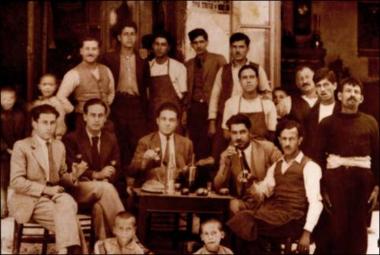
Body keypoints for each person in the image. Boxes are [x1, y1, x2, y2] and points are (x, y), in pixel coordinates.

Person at [227, 119, 323, 254]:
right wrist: (251, 182)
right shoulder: (276, 166)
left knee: (247, 225)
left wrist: (306, 233)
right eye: (284, 139)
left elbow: (316, 203)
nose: (287, 144)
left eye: (292, 139)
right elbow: (263, 191)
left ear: (300, 140)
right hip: (273, 214)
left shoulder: (310, 166)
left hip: (294, 218)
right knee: (240, 224)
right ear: (279, 139)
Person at [8, 104, 88, 254]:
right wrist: (46, 189)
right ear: (34, 123)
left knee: (66, 204)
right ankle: (71, 251)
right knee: (69, 218)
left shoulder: (59, 146)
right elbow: (16, 181)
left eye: (52, 123)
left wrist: (73, 176)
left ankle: (64, 251)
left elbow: (61, 176)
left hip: (55, 197)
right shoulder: (22, 146)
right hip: (30, 200)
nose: (49, 127)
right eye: (45, 122)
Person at [314, 77, 379, 254]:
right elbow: (318, 159)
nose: (352, 95)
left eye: (356, 92)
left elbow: (377, 156)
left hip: (362, 183)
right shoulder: (326, 124)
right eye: (348, 91)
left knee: (358, 230)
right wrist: (322, 188)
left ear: (361, 98)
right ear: (340, 95)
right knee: (336, 230)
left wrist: (377, 187)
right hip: (335, 181)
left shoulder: (370, 122)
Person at [63, 98, 125, 240]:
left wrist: (108, 175)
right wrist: (96, 175)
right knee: (106, 188)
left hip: (103, 191)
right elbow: (69, 168)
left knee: (99, 208)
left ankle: (104, 246)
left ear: (105, 118)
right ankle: (128, 240)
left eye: (100, 115)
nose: (96, 119)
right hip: (79, 189)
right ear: (85, 117)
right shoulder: (71, 139)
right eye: (93, 115)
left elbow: (117, 168)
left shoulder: (111, 139)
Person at [208, 32, 271, 163]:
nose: (237, 50)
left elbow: (267, 93)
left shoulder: (257, 69)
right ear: (230, 48)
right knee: (224, 156)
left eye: (241, 47)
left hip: (250, 117)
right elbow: (215, 95)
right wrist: (212, 121)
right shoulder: (223, 70)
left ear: (247, 49)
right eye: (234, 47)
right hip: (228, 116)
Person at [101, 21, 150, 169]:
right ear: (119, 37)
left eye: (132, 34)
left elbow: (147, 86)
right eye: (125, 34)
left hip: (136, 105)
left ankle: (135, 177)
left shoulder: (142, 59)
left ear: (136, 37)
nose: (129, 38)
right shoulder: (109, 58)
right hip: (117, 104)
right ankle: (120, 181)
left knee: (138, 142)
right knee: (118, 142)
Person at [214, 114, 281, 214]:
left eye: (242, 132)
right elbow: (218, 186)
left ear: (249, 132)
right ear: (230, 134)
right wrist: (226, 163)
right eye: (234, 133)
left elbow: (284, 171)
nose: (238, 137)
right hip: (244, 202)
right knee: (232, 207)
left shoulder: (267, 148)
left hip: (267, 200)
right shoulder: (227, 155)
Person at [185, 28, 226, 164]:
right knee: (195, 144)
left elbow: (225, 84)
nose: (199, 45)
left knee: (212, 143)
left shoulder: (218, 59)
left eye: (202, 42)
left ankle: (210, 180)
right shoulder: (188, 64)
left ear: (207, 42)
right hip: (195, 109)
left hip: (211, 108)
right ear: (191, 45)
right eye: (195, 43)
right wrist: (186, 111)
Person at [129, 102, 193, 188]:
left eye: (171, 120)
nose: (167, 123)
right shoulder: (145, 142)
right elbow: (132, 172)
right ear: (157, 121)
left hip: (177, 190)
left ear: (177, 123)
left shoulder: (186, 144)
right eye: (164, 119)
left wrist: (186, 170)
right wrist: (144, 161)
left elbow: (191, 174)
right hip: (151, 190)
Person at [57, 36, 115, 130]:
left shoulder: (106, 70)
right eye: (87, 49)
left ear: (98, 51)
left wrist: (106, 104)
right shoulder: (73, 73)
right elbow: (60, 97)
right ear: (81, 51)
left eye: (94, 49)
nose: (90, 52)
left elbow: (111, 92)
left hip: (105, 120)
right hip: (83, 122)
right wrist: (73, 110)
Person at [222, 65, 277, 141]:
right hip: (238, 146)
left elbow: (272, 133)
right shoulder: (231, 103)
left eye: (252, 77)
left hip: (262, 147)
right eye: (244, 77)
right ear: (240, 81)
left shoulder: (268, 104)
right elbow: (226, 133)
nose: (248, 81)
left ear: (257, 80)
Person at [147, 31, 187, 130]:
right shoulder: (148, 66)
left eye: (163, 45)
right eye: (157, 44)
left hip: (173, 112)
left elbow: (184, 95)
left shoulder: (178, 67)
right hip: (154, 114)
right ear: (152, 46)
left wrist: (184, 114)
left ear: (168, 48)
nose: (159, 48)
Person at [1, 86, 27, 218]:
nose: (7, 101)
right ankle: (3, 207)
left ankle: (16, 208)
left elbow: (25, 133)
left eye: (10, 98)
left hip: (18, 151)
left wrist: (19, 148)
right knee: (3, 180)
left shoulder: (20, 115)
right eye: (4, 98)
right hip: (3, 154)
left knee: (17, 179)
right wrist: (6, 148)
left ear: (15, 99)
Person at [303, 67, 340, 156]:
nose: (322, 89)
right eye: (318, 86)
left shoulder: (343, 110)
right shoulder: (310, 114)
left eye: (326, 85)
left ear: (334, 86)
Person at [31, 73, 68, 139]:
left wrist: (58, 134)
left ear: (55, 87)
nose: (47, 87)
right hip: (37, 133)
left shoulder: (57, 103)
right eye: (44, 84)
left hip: (51, 133)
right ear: (39, 86)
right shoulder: (37, 102)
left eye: (51, 85)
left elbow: (60, 119)